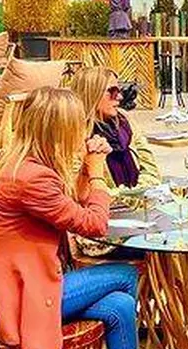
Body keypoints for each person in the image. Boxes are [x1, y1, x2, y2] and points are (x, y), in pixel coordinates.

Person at [0, 87, 183, 349]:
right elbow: (94, 224)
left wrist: (85, 171)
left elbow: (75, 206)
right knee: (126, 274)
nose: (85, 134)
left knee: (119, 305)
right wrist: (98, 172)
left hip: (16, 287)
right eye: (77, 127)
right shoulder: (31, 179)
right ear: (59, 129)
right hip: (16, 302)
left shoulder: (23, 165)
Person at [69, 66, 162, 260]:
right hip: (103, 230)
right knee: (167, 247)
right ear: (92, 94)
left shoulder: (125, 123)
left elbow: (151, 168)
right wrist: (123, 196)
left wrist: (137, 192)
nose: (119, 97)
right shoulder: (75, 137)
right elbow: (76, 194)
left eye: (119, 90)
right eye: (112, 91)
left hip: (138, 215)